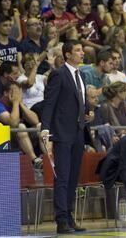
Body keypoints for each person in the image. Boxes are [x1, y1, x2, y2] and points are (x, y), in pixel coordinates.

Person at [40, 40, 87, 234]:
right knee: (63, 177)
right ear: (67, 54)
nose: (82, 53)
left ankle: (69, 215)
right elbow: (49, 103)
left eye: (82, 50)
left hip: (78, 132)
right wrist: (45, 129)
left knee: (74, 177)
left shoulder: (81, 74)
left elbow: (79, 101)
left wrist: (88, 112)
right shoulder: (58, 74)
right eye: (77, 50)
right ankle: (61, 220)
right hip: (61, 132)